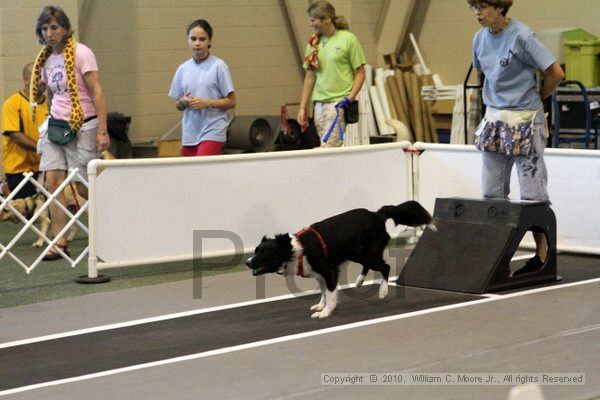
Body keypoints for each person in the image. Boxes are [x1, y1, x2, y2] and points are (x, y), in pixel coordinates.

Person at [468, 0, 564, 275]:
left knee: (532, 192)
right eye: (473, 6)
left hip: (525, 119)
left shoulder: (522, 36)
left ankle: (541, 256)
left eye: (484, 6)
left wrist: (539, 98)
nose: (477, 12)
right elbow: (484, 74)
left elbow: (555, 73)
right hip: (495, 118)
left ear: (500, 8)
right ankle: (496, 256)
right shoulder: (478, 39)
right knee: (491, 192)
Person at [31, 5, 110, 260]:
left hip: (84, 124)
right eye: (44, 28)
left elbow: (97, 91)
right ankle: (59, 240)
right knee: (52, 183)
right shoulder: (44, 59)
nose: (49, 33)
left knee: (81, 185)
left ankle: (110, 229)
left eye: (54, 27)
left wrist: (102, 130)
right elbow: (53, 95)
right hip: (56, 125)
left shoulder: (81, 53)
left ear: (65, 28)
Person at [297, 1, 366, 148]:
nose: (311, 24)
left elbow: (360, 72)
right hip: (319, 104)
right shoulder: (313, 43)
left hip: (338, 103)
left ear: (327, 19)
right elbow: (310, 77)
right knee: (325, 143)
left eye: (313, 20)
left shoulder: (348, 39)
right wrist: (303, 107)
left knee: (328, 146)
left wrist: (350, 97)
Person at [169, 19, 236, 156]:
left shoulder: (219, 66)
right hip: (190, 132)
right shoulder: (183, 69)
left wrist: (207, 103)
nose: (197, 43)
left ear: (209, 41)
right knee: (190, 173)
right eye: (193, 39)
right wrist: (183, 102)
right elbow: (178, 104)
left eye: (202, 39)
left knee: (202, 167)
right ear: (188, 40)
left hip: (213, 130)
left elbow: (232, 101)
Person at [1, 63, 48, 199]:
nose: (43, 81)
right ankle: (3, 188)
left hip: (45, 167)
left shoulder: (51, 105)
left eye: (44, 76)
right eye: (38, 76)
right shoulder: (12, 103)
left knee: (52, 209)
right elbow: (16, 136)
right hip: (20, 170)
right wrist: (43, 148)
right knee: (25, 212)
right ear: (26, 80)